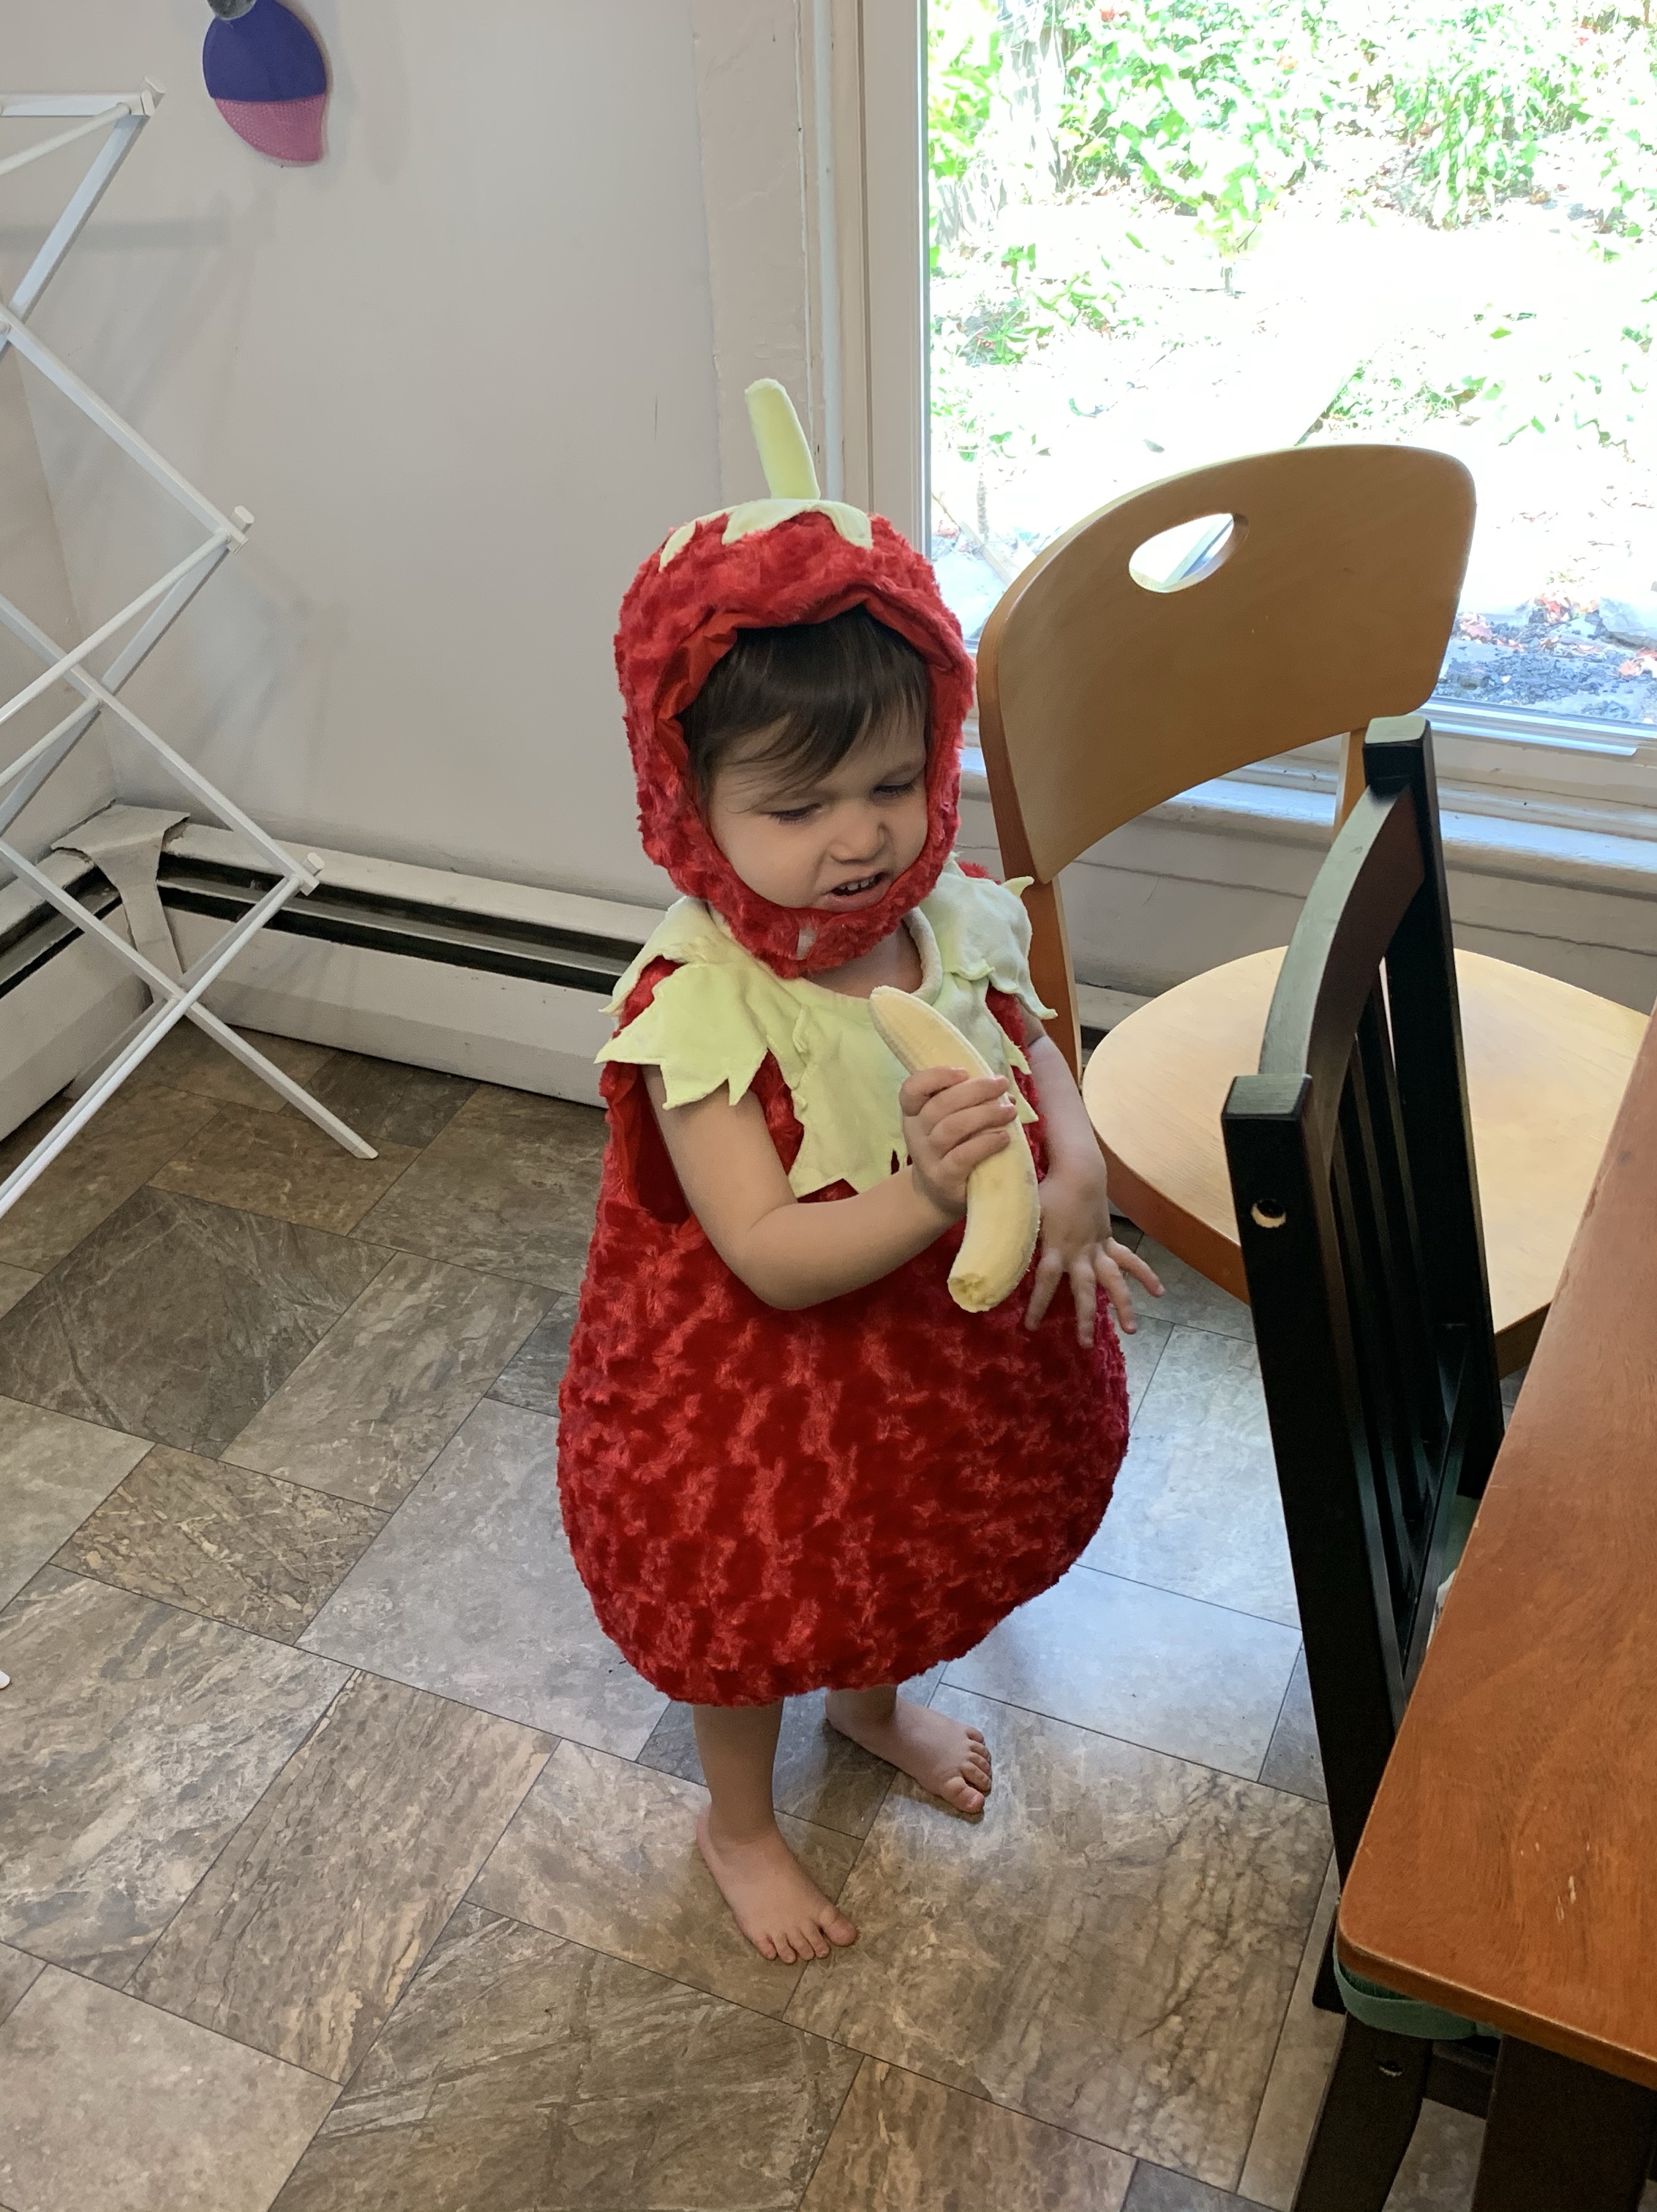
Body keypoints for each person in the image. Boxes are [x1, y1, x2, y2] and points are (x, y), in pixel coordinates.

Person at [558, 385, 1157, 1962]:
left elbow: (1024, 1036)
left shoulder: (944, 913)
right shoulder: (698, 1011)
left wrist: (1076, 1158)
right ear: (687, 803)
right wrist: (932, 1198)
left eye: (894, 785)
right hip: (762, 1387)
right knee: (759, 1598)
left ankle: (875, 1706)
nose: (861, 839)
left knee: (897, 1552)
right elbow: (762, 1249)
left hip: (927, 1362)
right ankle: (738, 1821)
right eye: (797, 806)